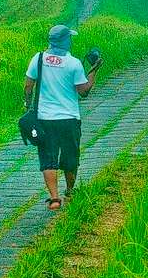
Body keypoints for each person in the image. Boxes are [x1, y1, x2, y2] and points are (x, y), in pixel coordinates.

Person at [24, 24, 97, 210]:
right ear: (66, 41)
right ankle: (70, 190)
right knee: (70, 157)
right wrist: (94, 70)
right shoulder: (73, 63)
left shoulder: (38, 58)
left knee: (48, 157)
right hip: (69, 118)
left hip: (44, 118)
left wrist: (28, 105)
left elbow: (28, 86)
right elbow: (83, 91)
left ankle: (54, 198)